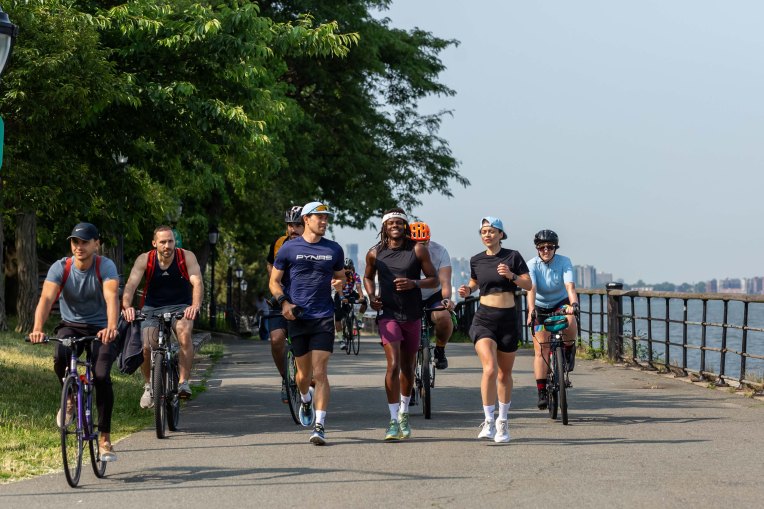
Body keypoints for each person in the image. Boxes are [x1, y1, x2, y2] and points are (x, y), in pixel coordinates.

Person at [30, 223, 120, 461]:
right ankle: (69, 397)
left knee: (101, 375)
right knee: (60, 355)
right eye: (75, 242)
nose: (79, 247)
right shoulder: (61, 267)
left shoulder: (105, 266)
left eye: (85, 242)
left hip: (102, 328)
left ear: (96, 244)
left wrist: (111, 327)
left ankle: (105, 439)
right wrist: (37, 329)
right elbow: (46, 298)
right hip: (71, 325)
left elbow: (112, 297)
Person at [269, 201, 345, 445]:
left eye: (326, 218)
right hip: (297, 316)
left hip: (323, 316)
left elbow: (341, 277)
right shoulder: (288, 249)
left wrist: (339, 285)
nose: (324, 222)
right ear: (306, 219)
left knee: (320, 372)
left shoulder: (334, 249)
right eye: (319, 217)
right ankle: (304, 399)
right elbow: (274, 282)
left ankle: (320, 425)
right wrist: (284, 303)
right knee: (303, 376)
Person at [364, 208, 437, 441]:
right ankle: (393, 419)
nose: (394, 226)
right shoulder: (375, 253)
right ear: (384, 227)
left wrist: (414, 283)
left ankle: (404, 412)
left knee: (408, 366)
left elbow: (433, 279)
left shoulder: (417, 249)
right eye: (390, 223)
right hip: (388, 314)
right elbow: (367, 277)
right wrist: (371, 296)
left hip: (412, 314)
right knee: (393, 365)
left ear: (405, 226)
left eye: (399, 222)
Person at [457, 217, 531, 443]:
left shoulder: (513, 256)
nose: (487, 235)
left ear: (501, 234)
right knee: (490, 368)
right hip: (484, 318)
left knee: (504, 374)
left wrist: (511, 276)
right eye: (483, 232)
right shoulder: (476, 260)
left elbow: (528, 284)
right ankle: (488, 420)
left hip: (508, 319)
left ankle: (503, 422)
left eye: (491, 231)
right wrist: (467, 290)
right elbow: (475, 282)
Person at [122, 225, 204, 406]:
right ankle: (149, 386)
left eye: (170, 241)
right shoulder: (145, 259)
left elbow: (197, 282)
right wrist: (127, 306)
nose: (167, 246)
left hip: (181, 307)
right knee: (146, 346)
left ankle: (183, 383)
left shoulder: (186, 257)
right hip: (152, 308)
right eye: (163, 242)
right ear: (154, 243)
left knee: (184, 334)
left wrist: (195, 306)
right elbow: (131, 285)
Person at [526, 229, 579, 410]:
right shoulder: (532, 265)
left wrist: (574, 304)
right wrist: (531, 310)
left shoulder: (564, 261)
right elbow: (531, 289)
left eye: (550, 247)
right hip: (540, 307)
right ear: (537, 249)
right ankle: (542, 391)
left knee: (570, 319)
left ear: (556, 248)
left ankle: (569, 349)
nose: (546, 250)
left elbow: (570, 286)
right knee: (541, 348)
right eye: (542, 247)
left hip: (560, 303)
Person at [266, 206, 305, 402]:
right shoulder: (279, 243)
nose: (293, 229)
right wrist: (276, 284)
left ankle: (306, 379)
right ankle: (286, 378)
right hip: (280, 298)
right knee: (276, 340)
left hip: (304, 300)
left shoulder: (312, 245)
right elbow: (270, 264)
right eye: (290, 225)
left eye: (297, 225)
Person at [409, 221, 455, 369]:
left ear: (429, 240)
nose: (420, 247)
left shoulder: (440, 251)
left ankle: (440, 350)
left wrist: (446, 299)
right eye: (415, 243)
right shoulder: (400, 252)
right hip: (410, 295)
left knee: (444, 317)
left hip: (433, 295)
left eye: (424, 243)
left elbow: (445, 281)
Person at [334, 258, 367, 351]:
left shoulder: (355, 275)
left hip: (351, 293)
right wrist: (342, 298)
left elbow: (358, 287)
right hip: (340, 294)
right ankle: (341, 340)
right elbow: (339, 289)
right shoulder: (339, 276)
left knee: (365, 301)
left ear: (352, 268)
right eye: (345, 268)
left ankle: (359, 319)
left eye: (349, 267)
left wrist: (361, 296)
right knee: (338, 317)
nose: (347, 269)